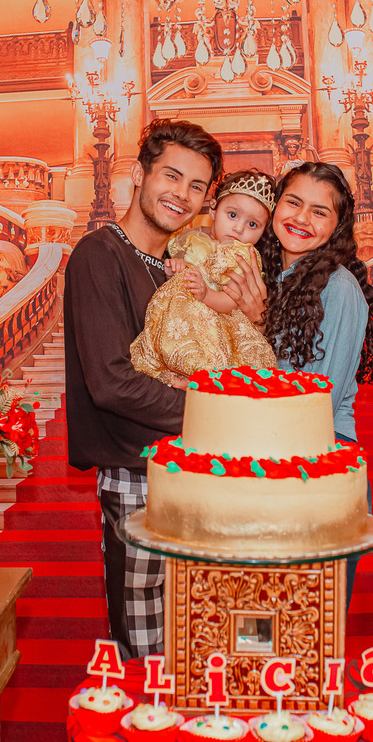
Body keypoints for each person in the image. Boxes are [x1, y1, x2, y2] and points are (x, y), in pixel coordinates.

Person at [62, 118, 223, 659]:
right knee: (147, 651)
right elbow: (111, 383)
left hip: (196, 471)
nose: (182, 194)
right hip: (138, 476)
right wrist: (215, 411)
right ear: (138, 174)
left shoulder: (177, 267)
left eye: (196, 185)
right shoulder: (100, 254)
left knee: (201, 639)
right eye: (171, 176)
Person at [235, 161, 373, 602]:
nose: (301, 218)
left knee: (308, 622)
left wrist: (257, 323)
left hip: (318, 464)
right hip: (263, 461)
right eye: (293, 202)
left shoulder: (338, 288)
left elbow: (314, 403)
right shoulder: (265, 277)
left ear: (337, 227)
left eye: (319, 212)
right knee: (260, 619)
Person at [130, 170, 277, 383]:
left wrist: (207, 295)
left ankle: (201, 380)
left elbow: (233, 301)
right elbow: (182, 276)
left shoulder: (242, 256)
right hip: (182, 315)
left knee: (214, 359)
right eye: (232, 215)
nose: (239, 228)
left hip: (219, 321)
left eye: (252, 224)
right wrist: (176, 269)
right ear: (214, 209)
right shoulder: (191, 238)